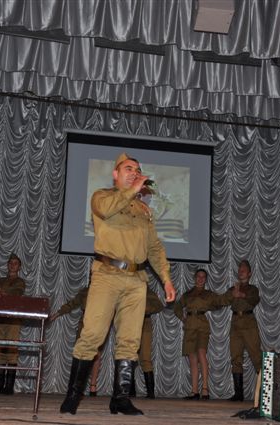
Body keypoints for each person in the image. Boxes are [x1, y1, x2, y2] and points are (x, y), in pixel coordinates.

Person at [60, 152, 176, 416]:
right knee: (92, 335)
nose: (134, 173)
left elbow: (154, 248)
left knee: (130, 341)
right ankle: (73, 396)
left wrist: (167, 280)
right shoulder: (102, 196)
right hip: (107, 275)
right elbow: (106, 210)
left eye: (137, 170)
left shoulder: (145, 210)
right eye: (128, 169)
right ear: (115, 173)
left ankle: (120, 399)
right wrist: (132, 190)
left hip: (137, 280)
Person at [174, 269, 231, 400]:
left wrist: (232, 293)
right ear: (195, 278)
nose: (200, 279)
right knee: (192, 358)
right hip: (190, 326)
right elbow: (177, 307)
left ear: (206, 280)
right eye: (198, 276)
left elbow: (221, 300)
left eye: (203, 277)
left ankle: (205, 389)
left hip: (202, 325)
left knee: (201, 354)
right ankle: (194, 391)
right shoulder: (187, 294)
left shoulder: (209, 294)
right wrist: (182, 317)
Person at [50, 286, 105, 397]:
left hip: (100, 321)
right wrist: (56, 314)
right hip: (84, 322)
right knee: (80, 353)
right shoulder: (85, 291)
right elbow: (72, 303)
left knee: (96, 353)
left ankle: (93, 386)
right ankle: (76, 386)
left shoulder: (106, 289)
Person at [0, 253, 26, 395]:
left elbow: (15, 293)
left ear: (19, 267)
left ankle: (9, 386)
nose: (12, 265)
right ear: (7, 265)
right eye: (10, 263)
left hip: (13, 320)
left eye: (15, 263)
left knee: (11, 351)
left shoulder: (20, 282)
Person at [227, 260, 262, 402]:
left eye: (244, 270)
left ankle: (264, 392)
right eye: (239, 269)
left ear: (249, 273)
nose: (241, 271)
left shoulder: (252, 289)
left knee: (256, 356)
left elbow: (255, 299)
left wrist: (241, 295)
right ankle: (238, 394)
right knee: (236, 358)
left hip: (248, 322)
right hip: (235, 322)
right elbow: (223, 300)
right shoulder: (232, 289)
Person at [136, 286, 165, 399]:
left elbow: (159, 306)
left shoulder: (148, 291)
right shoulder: (127, 287)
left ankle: (150, 392)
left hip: (145, 322)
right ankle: (128, 391)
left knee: (146, 357)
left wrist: (145, 308)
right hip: (130, 322)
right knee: (128, 356)